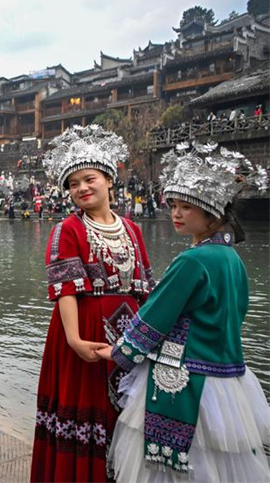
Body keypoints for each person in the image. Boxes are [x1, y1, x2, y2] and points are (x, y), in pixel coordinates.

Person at [98, 142, 270, 480]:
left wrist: (118, 352)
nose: (176, 213)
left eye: (187, 207)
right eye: (173, 205)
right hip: (228, 379)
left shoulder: (194, 260)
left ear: (212, 212)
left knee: (172, 470)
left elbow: (153, 319)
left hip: (187, 378)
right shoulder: (232, 258)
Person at [31, 125, 155, 482]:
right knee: (87, 410)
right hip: (83, 332)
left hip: (128, 336)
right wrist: (73, 339)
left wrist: (147, 339)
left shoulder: (132, 229)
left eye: (89, 179)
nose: (82, 189)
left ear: (109, 180)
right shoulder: (67, 229)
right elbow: (65, 289)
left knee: (126, 409)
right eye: (73, 184)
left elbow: (145, 288)